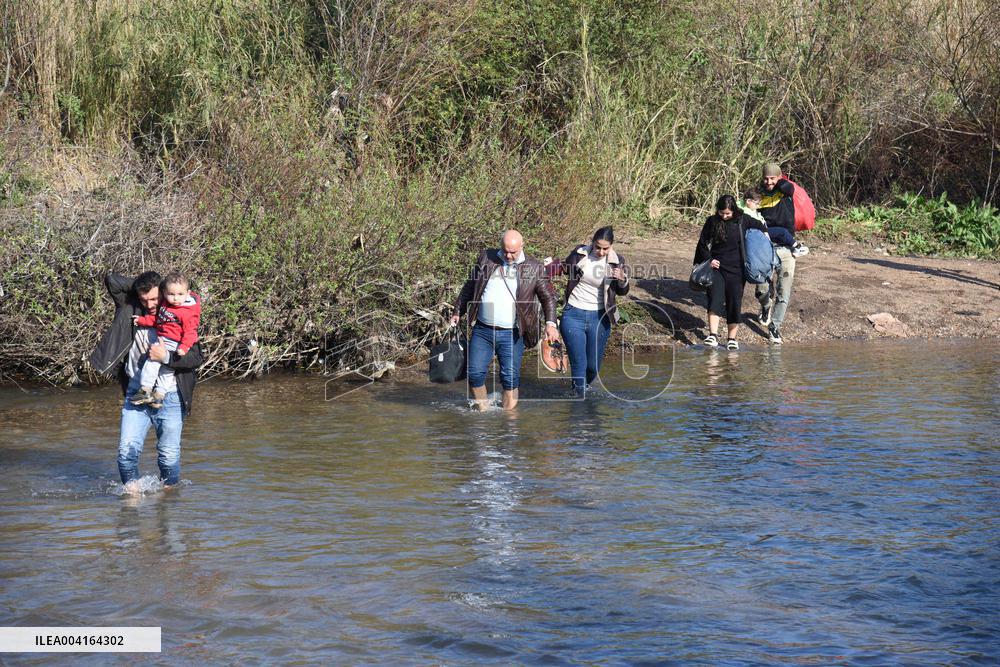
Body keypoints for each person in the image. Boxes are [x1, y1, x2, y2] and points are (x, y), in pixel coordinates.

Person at [89, 271, 204, 493]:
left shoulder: (180, 313)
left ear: (163, 293)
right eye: (144, 299)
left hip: (170, 395)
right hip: (136, 391)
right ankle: (131, 500)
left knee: (169, 457)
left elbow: (196, 357)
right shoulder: (130, 309)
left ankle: (168, 501)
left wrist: (166, 357)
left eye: (154, 298)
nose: (150, 304)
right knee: (126, 452)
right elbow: (112, 280)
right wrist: (144, 286)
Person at [450, 230, 559, 410]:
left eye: (513, 252)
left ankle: (509, 422)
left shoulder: (534, 267)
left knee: (510, 378)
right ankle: (482, 413)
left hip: (512, 332)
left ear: (522, 247)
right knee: (475, 374)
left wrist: (550, 323)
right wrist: (457, 311)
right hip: (483, 329)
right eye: (505, 250)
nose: (508, 255)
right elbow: (470, 285)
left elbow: (548, 297)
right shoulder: (486, 257)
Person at [549, 226, 630, 395]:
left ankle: (582, 390)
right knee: (579, 364)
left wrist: (622, 279)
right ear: (592, 243)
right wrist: (549, 266)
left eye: (605, 248)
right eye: (597, 247)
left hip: (600, 317)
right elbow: (565, 267)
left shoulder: (618, 261)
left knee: (593, 366)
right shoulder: (580, 254)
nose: (600, 251)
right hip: (573, 313)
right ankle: (578, 401)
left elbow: (622, 291)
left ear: (612, 246)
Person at [693, 194, 767, 350]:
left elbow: (762, 228)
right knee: (715, 299)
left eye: (728, 213)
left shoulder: (743, 219)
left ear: (734, 210)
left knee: (734, 302)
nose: (725, 216)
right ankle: (712, 335)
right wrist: (709, 259)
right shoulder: (712, 221)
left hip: (737, 270)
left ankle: (731, 338)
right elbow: (702, 243)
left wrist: (762, 246)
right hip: (716, 268)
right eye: (722, 213)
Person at [130, 272, 201, 409]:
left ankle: (146, 389)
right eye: (171, 294)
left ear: (187, 293)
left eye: (180, 294)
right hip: (166, 341)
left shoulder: (188, 312)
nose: (175, 298)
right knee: (166, 370)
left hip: (172, 343)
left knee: (153, 362)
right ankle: (158, 397)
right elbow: (157, 321)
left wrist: (182, 348)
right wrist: (141, 320)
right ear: (165, 292)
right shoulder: (165, 306)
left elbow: (191, 335)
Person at [755, 162, 803, 344]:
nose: (768, 182)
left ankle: (775, 327)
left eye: (772, 178)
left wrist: (779, 181)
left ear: (779, 177)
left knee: (784, 291)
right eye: (766, 178)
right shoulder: (758, 193)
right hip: (764, 246)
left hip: (786, 248)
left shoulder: (785, 190)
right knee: (761, 288)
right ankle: (766, 306)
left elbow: (786, 186)